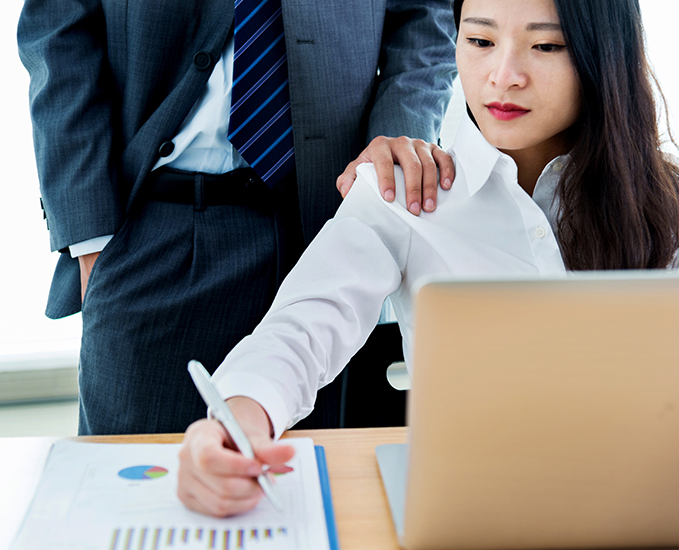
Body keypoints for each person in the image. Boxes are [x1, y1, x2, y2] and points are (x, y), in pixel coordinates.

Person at [177, 0, 679, 517]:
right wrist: (236, 424)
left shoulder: (667, 203)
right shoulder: (408, 190)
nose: (502, 77)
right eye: (480, 42)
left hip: (640, 508)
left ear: (604, 57)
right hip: (472, 515)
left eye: (546, 46)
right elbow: (301, 328)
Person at [17, 2, 458, 435]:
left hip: (331, 228)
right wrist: (92, 242)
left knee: (323, 493)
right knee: (138, 490)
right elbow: (59, 31)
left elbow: (424, 21)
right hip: (156, 235)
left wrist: (392, 158)